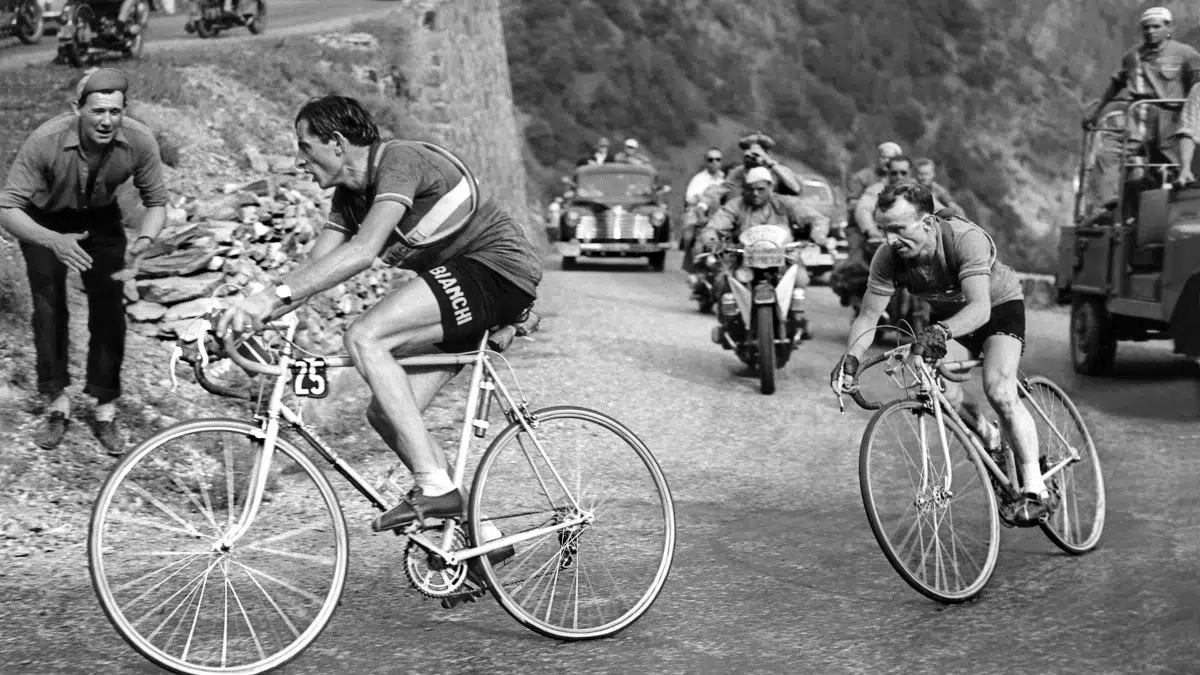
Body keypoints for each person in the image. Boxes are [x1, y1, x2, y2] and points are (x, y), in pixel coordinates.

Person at [216, 95, 542, 533]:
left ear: (335, 143)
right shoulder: (348, 200)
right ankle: (474, 534)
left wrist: (268, 298)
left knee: (366, 336)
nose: (299, 161)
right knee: (386, 413)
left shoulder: (399, 161)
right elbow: (312, 275)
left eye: (304, 147)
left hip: (497, 269)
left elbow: (364, 251)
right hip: (463, 288)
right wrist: (246, 314)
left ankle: (434, 489)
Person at [829, 182, 1054, 526]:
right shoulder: (889, 257)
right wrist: (851, 359)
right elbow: (869, 316)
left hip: (996, 307)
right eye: (884, 230)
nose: (889, 240)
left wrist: (940, 331)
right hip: (949, 316)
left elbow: (979, 308)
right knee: (933, 385)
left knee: (999, 390)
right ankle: (986, 432)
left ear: (928, 223)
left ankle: (1036, 490)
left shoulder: (965, 239)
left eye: (898, 229)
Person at [0, 68, 168, 455]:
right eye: (97, 111)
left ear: (125, 110)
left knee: (110, 308)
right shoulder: (45, 140)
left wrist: (144, 240)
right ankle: (56, 401)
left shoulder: (139, 141)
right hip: (44, 220)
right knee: (48, 305)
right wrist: (51, 240)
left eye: (115, 111)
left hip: (100, 219)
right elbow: (8, 208)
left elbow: (156, 202)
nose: (106, 120)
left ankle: (105, 407)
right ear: (77, 109)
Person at [697, 167, 830, 337]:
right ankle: (729, 323)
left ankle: (795, 318)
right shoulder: (736, 205)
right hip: (743, 257)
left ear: (770, 187)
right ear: (744, 189)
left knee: (800, 278)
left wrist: (817, 233)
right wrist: (712, 241)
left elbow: (817, 218)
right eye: (751, 189)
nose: (755, 193)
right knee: (723, 282)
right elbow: (714, 226)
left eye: (761, 189)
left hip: (783, 257)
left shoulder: (785, 203)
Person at [1083, 6, 1200, 195]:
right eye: (1146, 28)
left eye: (1156, 27)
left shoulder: (1186, 54)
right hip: (1136, 118)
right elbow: (1116, 84)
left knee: (1170, 165)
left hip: (1170, 121)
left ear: (1169, 28)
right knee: (1108, 155)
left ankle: (1176, 195)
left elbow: (1197, 87)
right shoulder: (1132, 56)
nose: (1151, 32)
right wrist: (1097, 111)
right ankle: (1108, 204)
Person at [704, 132, 801, 210]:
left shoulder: (777, 170)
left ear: (766, 154)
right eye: (747, 156)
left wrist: (769, 162)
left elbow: (796, 188)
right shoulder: (738, 172)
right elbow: (723, 189)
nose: (750, 160)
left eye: (755, 156)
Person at [847, 141, 903, 220]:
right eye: (883, 157)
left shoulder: (901, 178)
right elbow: (851, 203)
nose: (886, 161)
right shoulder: (863, 176)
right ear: (878, 158)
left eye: (890, 158)